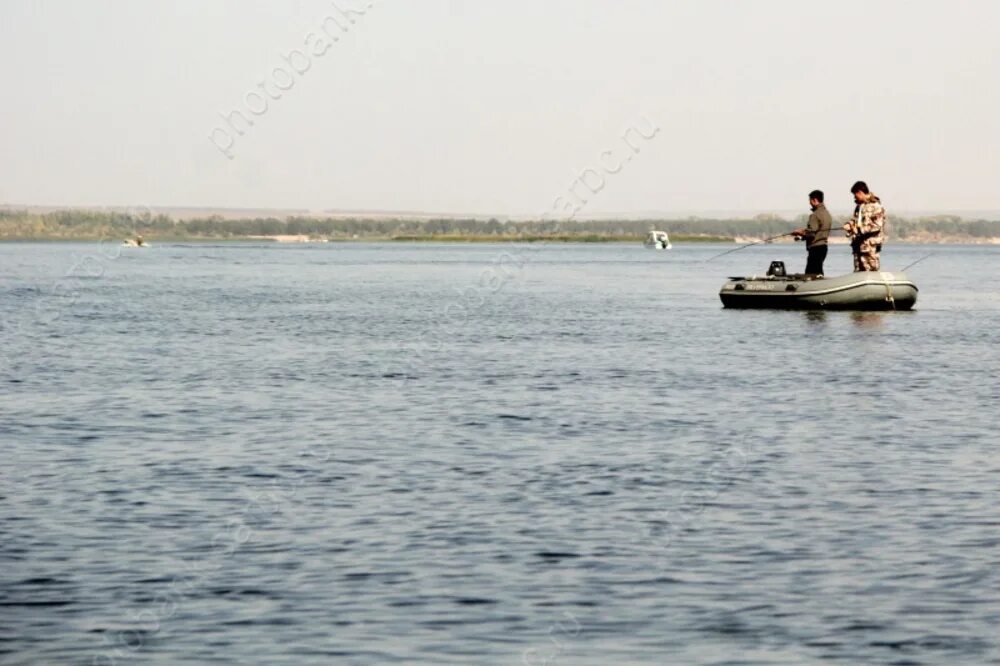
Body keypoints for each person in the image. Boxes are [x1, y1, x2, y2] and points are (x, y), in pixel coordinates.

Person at [842, 181, 886, 272]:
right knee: (858, 271)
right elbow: (856, 220)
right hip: (858, 246)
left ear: (860, 192)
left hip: (870, 248)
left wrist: (859, 230)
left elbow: (877, 225)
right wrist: (849, 224)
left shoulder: (876, 206)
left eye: (855, 195)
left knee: (871, 271)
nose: (854, 197)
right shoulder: (859, 207)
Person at [792, 190, 832, 275]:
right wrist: (802, 237)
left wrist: (798, 233)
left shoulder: (815, 215)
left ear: (814, 200)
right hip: (824, 248)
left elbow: (811, 234)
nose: (809, 203)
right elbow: (817, 232)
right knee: (818, 272)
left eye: (810, 200)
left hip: (815, 249)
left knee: (810, 274)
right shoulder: (827, 214)